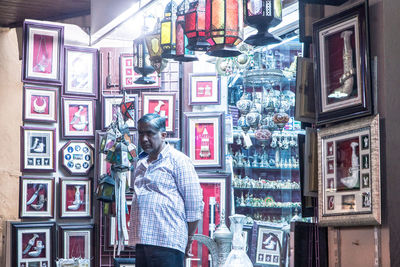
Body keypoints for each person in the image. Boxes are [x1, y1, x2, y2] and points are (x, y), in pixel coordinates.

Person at [129, 113, 203, 267]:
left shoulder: (178, 160)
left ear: (163, 135)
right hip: (142, 240)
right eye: (141, 133)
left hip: (167, 241)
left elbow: (194, 204)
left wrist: (189, 237)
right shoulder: (141, 164)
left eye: (150, 133)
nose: (144, 139)